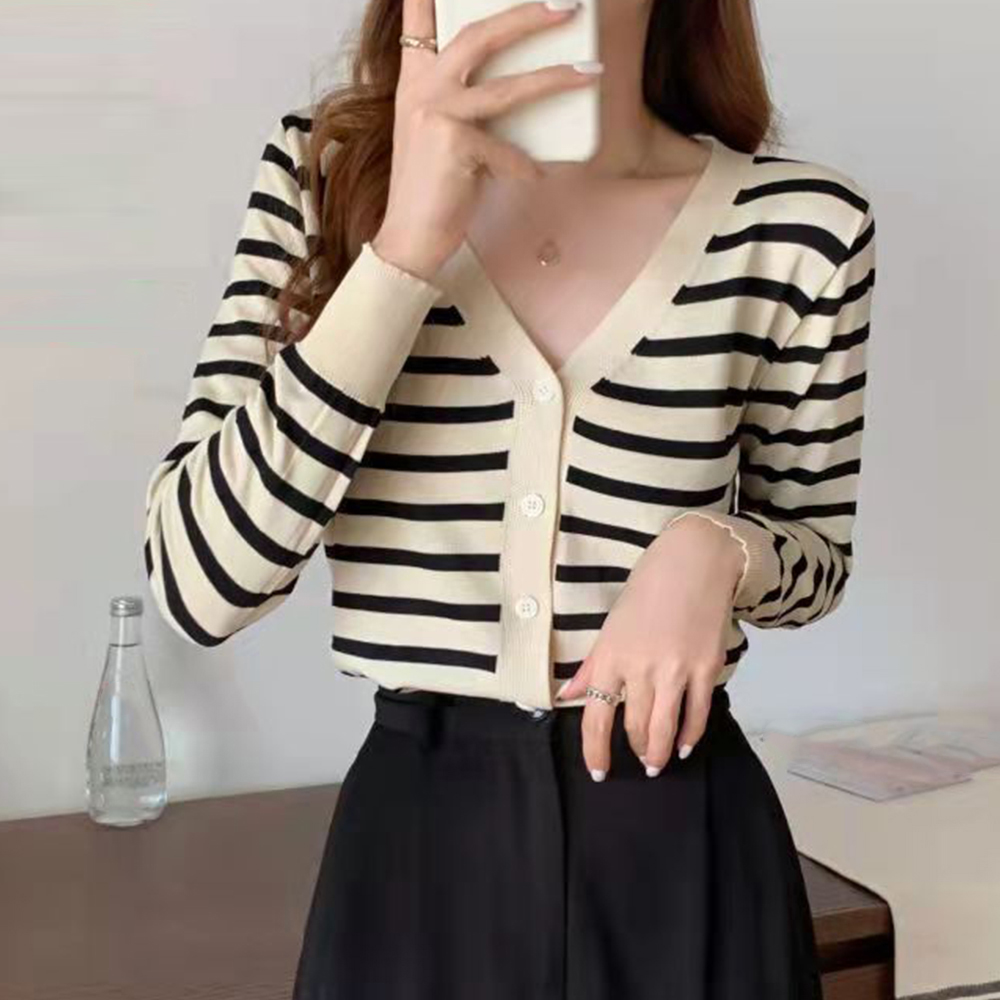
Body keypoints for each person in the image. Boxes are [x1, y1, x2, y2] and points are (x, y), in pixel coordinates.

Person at [142, 0, 876, 995]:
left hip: (684, 850)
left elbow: (813, 551)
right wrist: (403, 248)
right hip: (412, 863)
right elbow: (199, 586)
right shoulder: (324, 178)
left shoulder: (801, 229)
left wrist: (717, 552)